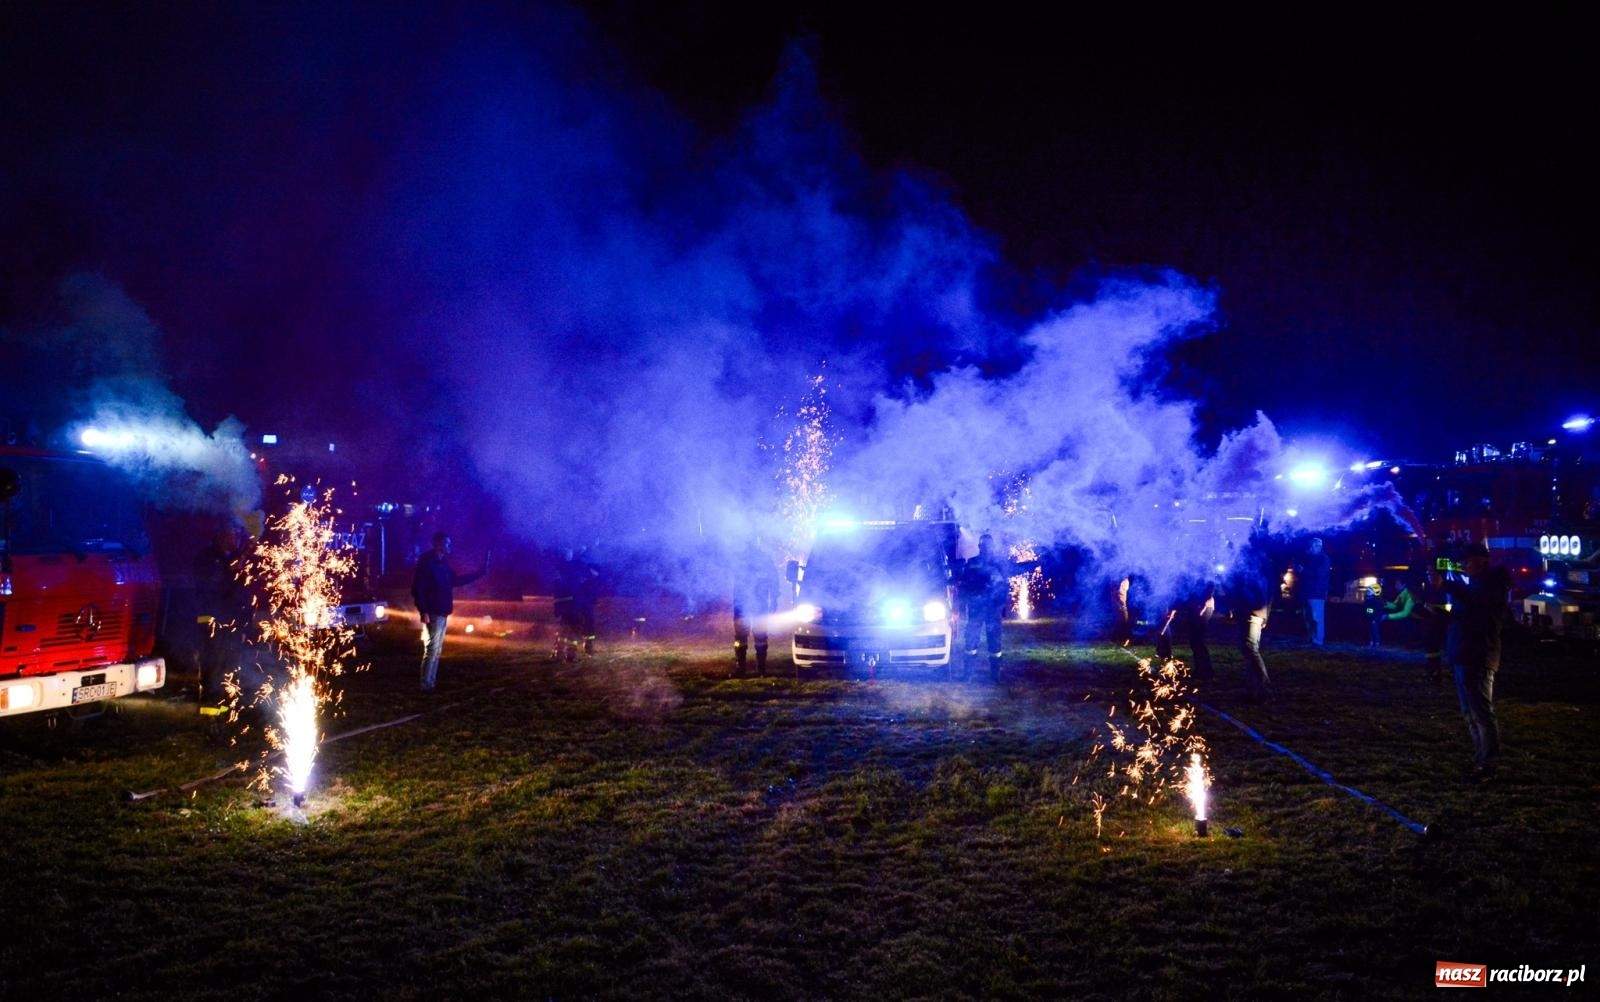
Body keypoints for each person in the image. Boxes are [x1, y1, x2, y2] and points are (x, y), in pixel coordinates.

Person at [1444, 541, 1512, 781]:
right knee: (1469, 713)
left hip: (1478, 655)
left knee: (1481, 712)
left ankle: (1489, 763)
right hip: (1463, 654)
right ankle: (1479, 759)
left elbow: (1479, 608)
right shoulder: (1474, 586)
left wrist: (1448, 585)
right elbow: (1463, 615)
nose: (1464, 565)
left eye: (1468, 561)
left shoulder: (1492, 585)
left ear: (1483, 560)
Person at [411, 532, 488, 691]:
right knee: (432, 649)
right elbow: (418, 588)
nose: (449, 546)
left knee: (436, 649)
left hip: (441, 611)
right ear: (438, 544)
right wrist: (423, 610)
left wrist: (478, 574)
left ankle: (430, 682)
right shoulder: (427, 562)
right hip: (433, 611)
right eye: (446, 543)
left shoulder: (442, 564)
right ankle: (426, 684)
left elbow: (456, 580)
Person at [957, 533, 1034, 682]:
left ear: (991, 546)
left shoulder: (1000, 562)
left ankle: (995, 675)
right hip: (977, 608)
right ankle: (968, 674)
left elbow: (1015, 569)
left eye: (988, 545)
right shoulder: (972, 562)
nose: (986, 548)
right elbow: (965, 584)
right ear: (980, 546)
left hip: (993, 608)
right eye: (984, 545)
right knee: (971, 641)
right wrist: (962, 602)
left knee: (995, 642)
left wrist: (1031, 565)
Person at [192, 523, 252, 701]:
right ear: (222, 536)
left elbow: (243, 593)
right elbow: (211, 586)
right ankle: (210, 713)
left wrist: (244, 623)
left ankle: (225, 708)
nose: (237, 540)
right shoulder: (207, 557)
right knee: (214, 665)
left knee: (230, 664)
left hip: (232, 622)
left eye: (239, 536)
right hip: (212, 620)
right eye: (234, 535)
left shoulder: (235, 558)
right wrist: (230, 570)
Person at [1227, 531, 1275, 702]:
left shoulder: (1252, 564)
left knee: (1250, 648)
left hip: (1252, 610)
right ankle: (1254, 688)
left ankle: (1264, 688)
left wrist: (1263, 613)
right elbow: (1270, 591)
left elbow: (1262, 590)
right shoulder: (1261, 564)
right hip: (1251, 610)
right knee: (1248, 648)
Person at [731, 539, 780, 677]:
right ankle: (747, 669)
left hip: (754, 603)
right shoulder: (757, 559)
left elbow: (773, 579)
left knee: (757, 637)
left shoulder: (759, 560)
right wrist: (774, 598)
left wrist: (774, 598)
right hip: (747, 603)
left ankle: (757, 670)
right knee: (744, 638)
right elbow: (773, 579)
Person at [1155, 577, 1216, 681]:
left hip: (1202, 608)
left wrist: (1203, 603)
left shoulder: (1200, 573)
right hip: (1194, 608)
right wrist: (1174, 609)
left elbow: (1210, 585)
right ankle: (1202, 669)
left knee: (1197, 641)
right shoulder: (1186, 575)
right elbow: (1182, 594)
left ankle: (1205, 671)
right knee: (1195, 641)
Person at [553, 547, 600, 661]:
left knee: (572, 628)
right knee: (568, 629)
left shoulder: (574, 571)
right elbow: (559, 591)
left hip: (575, 604)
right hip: (569, 605)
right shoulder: (563, 571)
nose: (569, 554)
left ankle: (567, 653)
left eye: (570, 552)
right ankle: (565, 654)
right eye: (567, 552)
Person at [1415, 567, 1450, 682]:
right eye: (1428, 574)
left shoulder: (1445, 590)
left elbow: (1448, 609)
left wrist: (1434, 610)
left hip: (1441, 624)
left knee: (1437, 647)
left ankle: (1437, 672)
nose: (1430, 577)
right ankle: (1432, 671)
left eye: (1433, 574)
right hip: (1429, 623)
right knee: (1430, 648)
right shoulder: (1428, 589)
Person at [1298, 537, 1332, 645]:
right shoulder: (1309, 558)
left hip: (1316, 592)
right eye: (1311, 545)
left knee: (1316, 617)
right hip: (1307, 591)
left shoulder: (1324, 559)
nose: (1311, 548)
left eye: (1314, 545)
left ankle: (1318, 640)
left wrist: (1303, 571)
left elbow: (1319, 574)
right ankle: (1311, 638)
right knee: (1307, 616)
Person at [1375, 575, 1416, 648]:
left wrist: (1388, 616)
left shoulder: (1410, 595)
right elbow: (1395, 605)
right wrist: (1384, 603)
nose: (1395, 586)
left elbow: (1405, 613)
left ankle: (1409, 644)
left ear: (1404, 584)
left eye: (1397, 584)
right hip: (1411, 618)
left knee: (1403, 623)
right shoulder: (1402, 593)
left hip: (1416, 620)